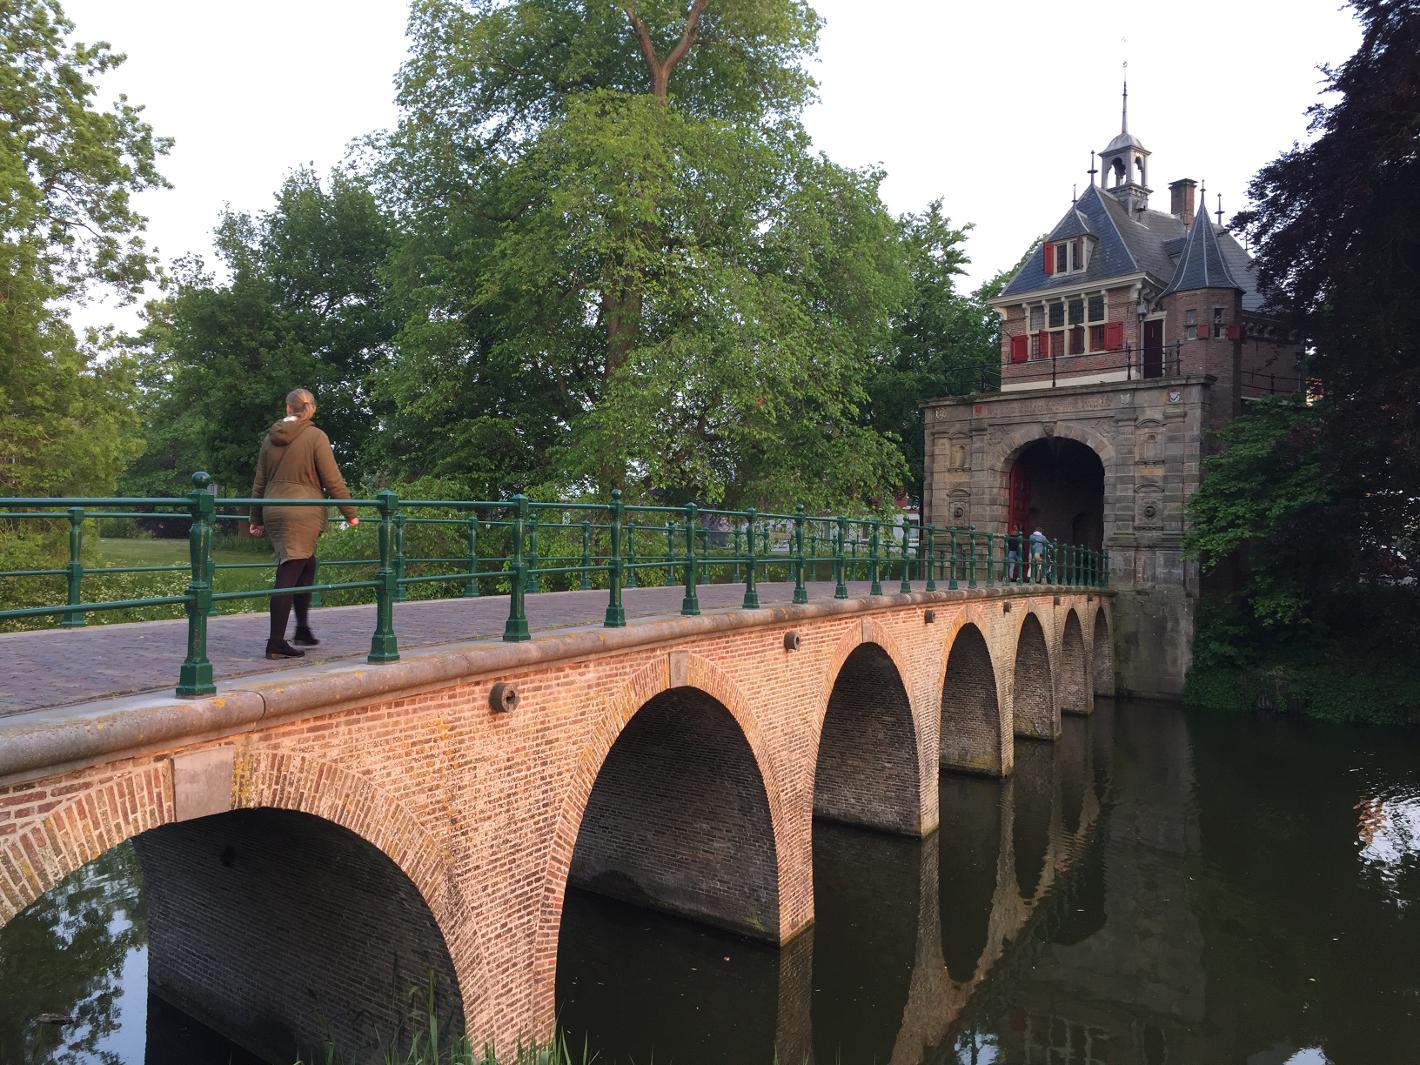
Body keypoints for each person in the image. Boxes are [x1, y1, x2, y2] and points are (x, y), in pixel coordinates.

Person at [249, 388, 359, 659]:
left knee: (307, 563)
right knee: (289, 570)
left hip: (274, 507)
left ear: (288, 409)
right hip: (303, 511)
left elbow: (259, 481)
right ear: (311, 409)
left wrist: (255, 517)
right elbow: (332, 479)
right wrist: (350, 513)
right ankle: (276, 641)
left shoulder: (270, 439)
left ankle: (302, 628)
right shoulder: (316, 436)